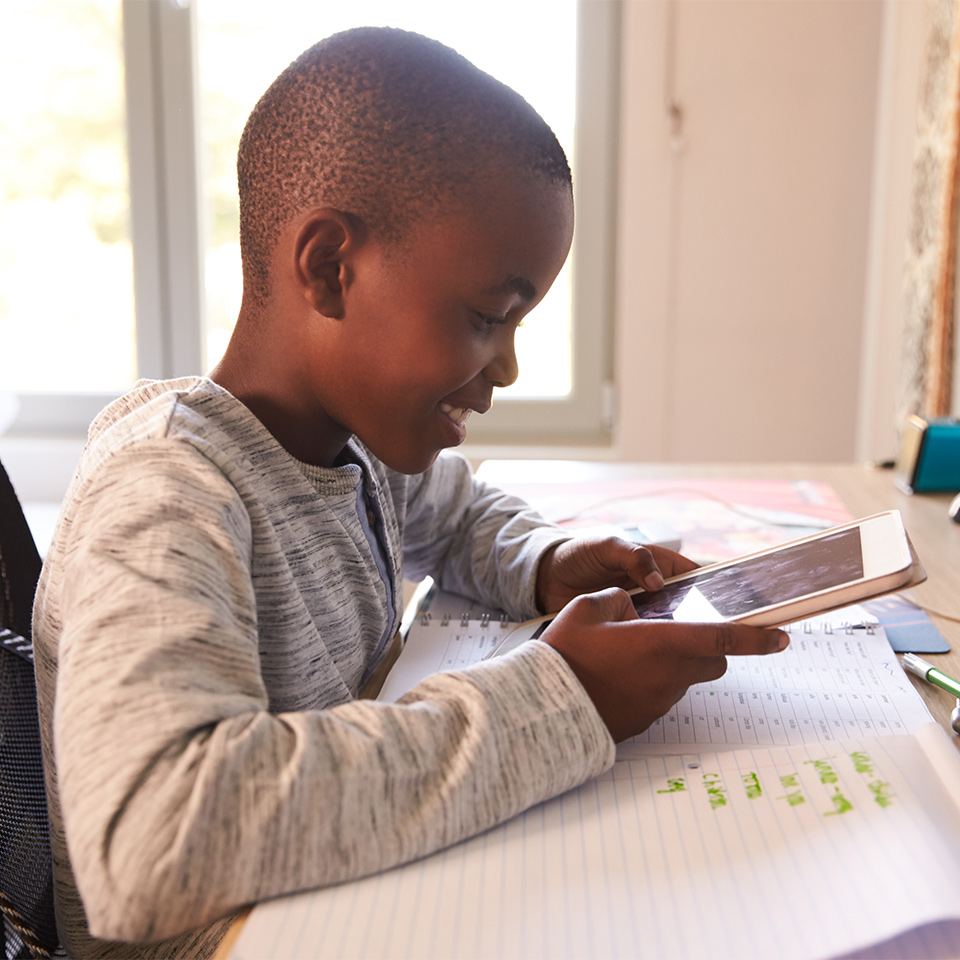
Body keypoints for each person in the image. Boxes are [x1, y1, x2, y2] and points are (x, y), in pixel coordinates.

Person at [32, 27, 789, 959]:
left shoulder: (357, 448)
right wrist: (562, 698)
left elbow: (462, 514)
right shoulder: (166, 494)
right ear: (328, 268)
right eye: (486, 317)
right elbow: (153, 839)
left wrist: (548, 562)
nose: (506, 367)